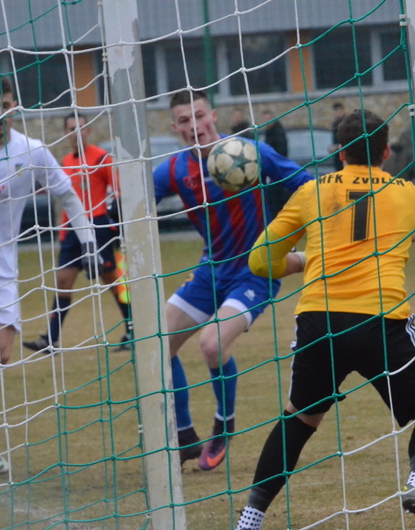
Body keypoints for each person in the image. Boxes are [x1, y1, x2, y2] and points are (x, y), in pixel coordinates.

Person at [238, 109, 415, 530]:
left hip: (319, 322)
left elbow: (260, 260)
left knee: (299, 418)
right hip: (381, 321)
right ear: (386, 151)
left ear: (339, 153)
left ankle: (250, 519)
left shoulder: (312, 192)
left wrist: (303, 260)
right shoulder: (409, 194)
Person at [152, 90, 313, 472]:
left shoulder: (251, 153)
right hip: (210, 272)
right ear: (175, 128)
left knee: (211, 345)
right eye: (184, 121)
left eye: (199, 116)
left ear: (213, 116)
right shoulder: (173, 170)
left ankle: (224, 425)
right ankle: (185, 436)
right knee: (156, 346)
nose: (194, 126)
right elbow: (134, 205)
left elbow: (304, 184)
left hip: (254, 272)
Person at [0, 77, 96, 475]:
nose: (0, 114)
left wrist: (88, 242)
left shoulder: (32, 152)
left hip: (4, 268)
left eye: (7, 106)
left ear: (17, 109)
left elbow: (67, 194)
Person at [22, 113, 132, 354]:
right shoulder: (66, 162)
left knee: (112, 279)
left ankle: (132, 328)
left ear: (88, 131)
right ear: (65, 133)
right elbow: (67, 201)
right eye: (71, 129)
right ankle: (51, 339)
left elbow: (118, 190)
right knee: (62, 281)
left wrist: (116, 223)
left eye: (80, 128)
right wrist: (63, 232)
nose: (75, 133)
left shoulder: (101, 158)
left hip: (98, 224)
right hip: (72, 229)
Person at [260, 110, 290, 216]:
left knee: (277, 199)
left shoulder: (278, 133)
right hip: (272, 172)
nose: (267, 122)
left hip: (277, 172)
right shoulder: (268, 133)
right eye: (265, 120)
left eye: (269, 119)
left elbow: (281, 152)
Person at [329, 102, 346, 172]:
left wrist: (337, 146)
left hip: (345, 155)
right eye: (336, 111)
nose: (337, 113)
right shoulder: (335, 124)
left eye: (339, 111)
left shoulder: (346, 123)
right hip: (337, 156)